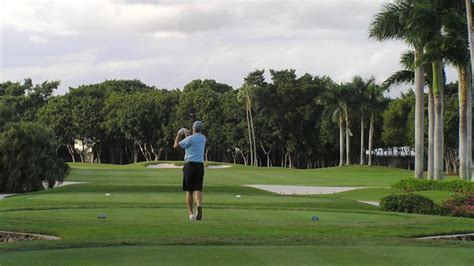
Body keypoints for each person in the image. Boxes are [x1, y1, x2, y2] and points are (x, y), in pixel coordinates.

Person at [173, 121, 207, 221]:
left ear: (193, 128)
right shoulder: (203, 138)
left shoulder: (190, 138)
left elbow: (176, 145)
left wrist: (179, 134)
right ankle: (199, 206)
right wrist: (188, 134)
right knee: (198, 189)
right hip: (200, 165)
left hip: (190, 165)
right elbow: (192, 140)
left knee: (189, 190)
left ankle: (191, 214)